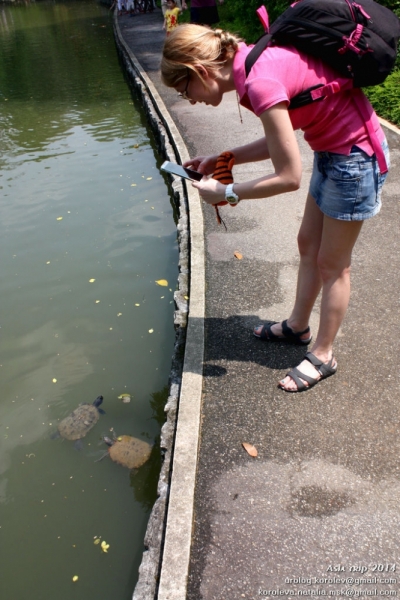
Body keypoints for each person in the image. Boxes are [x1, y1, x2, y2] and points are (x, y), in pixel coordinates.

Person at [161, 24, 390, 393]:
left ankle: (324, 355)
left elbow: (288, 177)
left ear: (200, 71)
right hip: (333, 153)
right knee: (308, 246)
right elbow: (278, 138)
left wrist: (227, 192)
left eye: (184, 90)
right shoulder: (255, 62)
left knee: (333, 265)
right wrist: (226, 158)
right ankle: (298, 325)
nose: (188, 100)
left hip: (355, 160)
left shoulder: (261, 81)